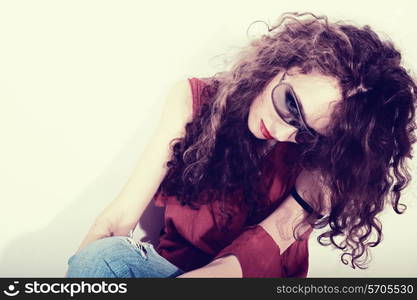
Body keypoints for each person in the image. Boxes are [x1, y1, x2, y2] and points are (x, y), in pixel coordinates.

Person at [65, 12, 416, 278]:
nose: (282, 133)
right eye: (290, 104)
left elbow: (262, 247)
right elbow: (119, 218)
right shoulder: (193, 100)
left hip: (245, 277)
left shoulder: (323, 160)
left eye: (305, 132)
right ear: (285, 63)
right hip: (171, 269)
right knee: (101, 260)